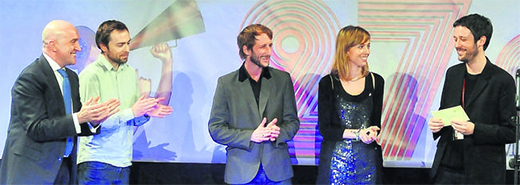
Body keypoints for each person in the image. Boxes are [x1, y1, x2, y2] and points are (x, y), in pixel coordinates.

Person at [0, 20, 120, 184]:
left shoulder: (71, 78)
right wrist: (79, 117)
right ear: (53, 45)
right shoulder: (31, 77)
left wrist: (92, 121)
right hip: (32, 172)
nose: (78, 48)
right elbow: (37, 128)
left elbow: (70, 124)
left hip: (63, 170)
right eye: (73, 41)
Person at [76, 20, 173, 184]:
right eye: (120, 45)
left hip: (123, 162)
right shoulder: (91, 75)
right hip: (96, 163)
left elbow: (131, 119)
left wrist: (145, 112)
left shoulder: (128, 73)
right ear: (103, 47)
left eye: (127, 43)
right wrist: (133, 112)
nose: (127, 49)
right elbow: (92, 124)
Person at [428, 13, 516, 184]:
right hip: (446, 169)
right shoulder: (453, 73)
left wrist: (475, 129)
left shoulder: (501, 80)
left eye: (463, 39)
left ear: (481, 41)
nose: (457, 45)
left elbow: (511, 132)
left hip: (482, 172)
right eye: (454, 39)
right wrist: (436, 125)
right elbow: (445, 111)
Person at [208, 24, 300, 184]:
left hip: (277, 171)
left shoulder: (282, 79)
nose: (269, 52)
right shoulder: (226, 84)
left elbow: (292, 122)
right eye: (263, 46)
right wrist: (251, 135)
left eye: (270, 45)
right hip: (241, 171)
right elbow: (216, 129)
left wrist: (278, 133)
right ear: (246, 50)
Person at [316, 25, 384, 184]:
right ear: (346, 50)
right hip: (335, 165)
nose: (366, 51)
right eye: (361, 46)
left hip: (368, 164)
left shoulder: (376, 82)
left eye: (368, 46)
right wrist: (357, 134)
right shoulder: (328, 83)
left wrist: (372, 132)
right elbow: (325, 129)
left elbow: (375, 122)